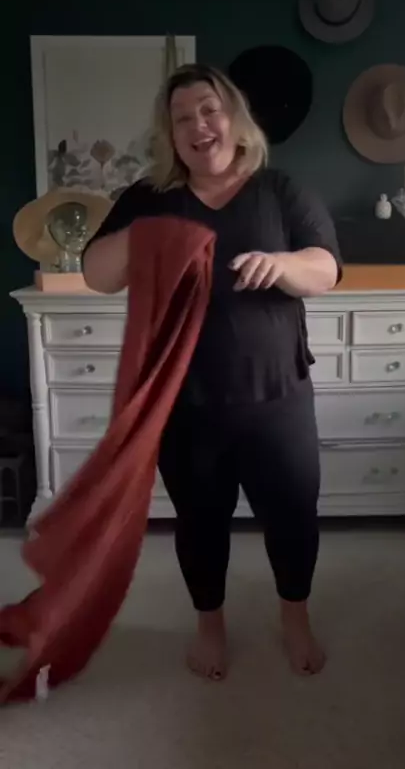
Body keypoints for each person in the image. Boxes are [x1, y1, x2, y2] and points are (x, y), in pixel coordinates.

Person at [82, 64, 342, 681]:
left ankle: (295, 619)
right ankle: (210, 627)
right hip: (186, 405)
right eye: (182, 118)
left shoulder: (280, 190)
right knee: (200, 524)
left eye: (209, 110)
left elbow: (326, 268)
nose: (198, 125)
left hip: (277, 399)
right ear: (171, 135)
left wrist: (282, 264)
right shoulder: (148, 198)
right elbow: (97, 274)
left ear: (234, 119)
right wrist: (142, 235)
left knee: (293, 517)